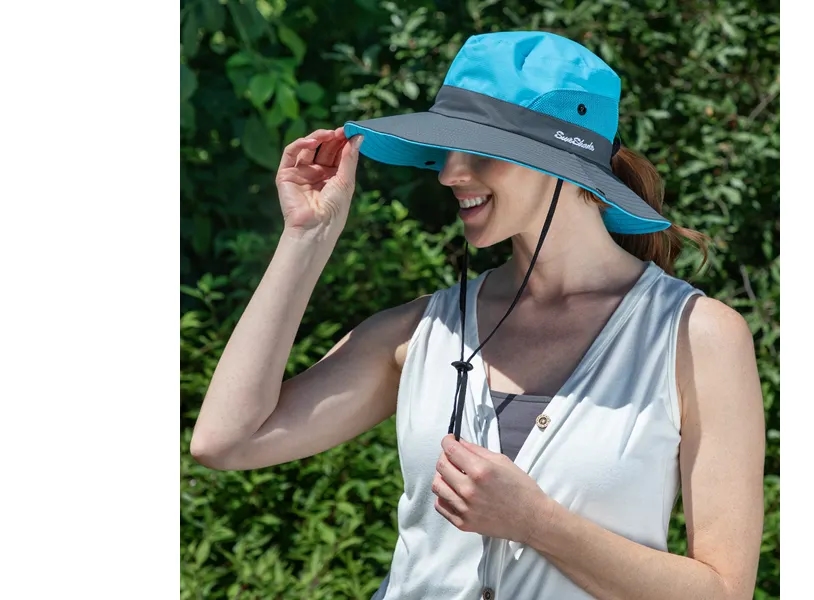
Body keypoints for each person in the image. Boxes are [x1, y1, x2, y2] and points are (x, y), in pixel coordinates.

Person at [191, 30, 765, 600]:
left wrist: (538, 522)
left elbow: (725, 591)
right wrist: (307, 237)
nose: (448, 173)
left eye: (480, 150)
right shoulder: (422, 331)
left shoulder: (695, 337)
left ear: (563, 161)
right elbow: (226, 441)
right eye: (447, 149)